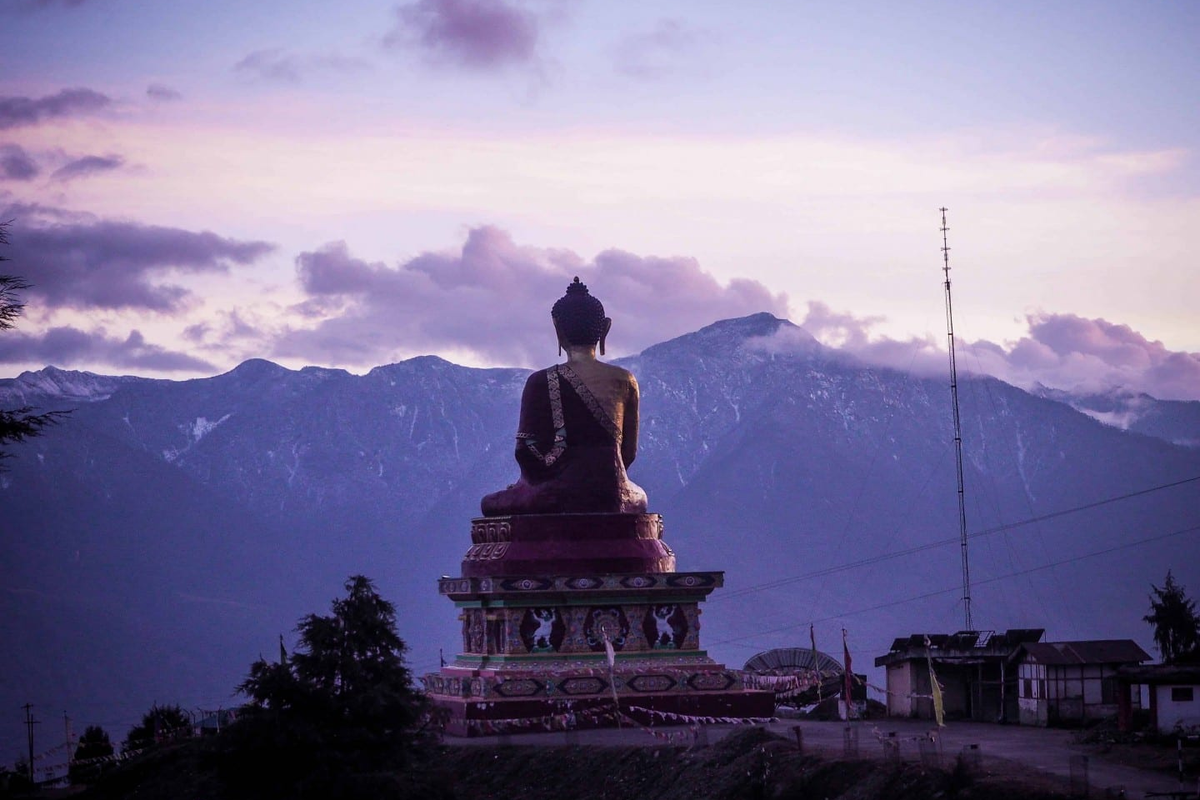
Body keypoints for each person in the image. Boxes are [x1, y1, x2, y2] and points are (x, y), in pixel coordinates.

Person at [481, 277, 648, 516]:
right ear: (605, 329)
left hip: (555, 493)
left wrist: (545, 475)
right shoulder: (626, 380)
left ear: (557, 329)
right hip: (614, 494)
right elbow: (627, 454)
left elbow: (526, 452)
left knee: (490, 503)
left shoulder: (541, 381)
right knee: (640, 497)